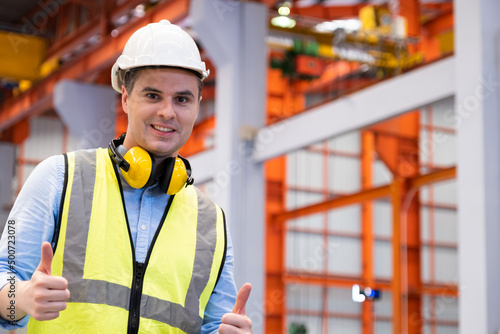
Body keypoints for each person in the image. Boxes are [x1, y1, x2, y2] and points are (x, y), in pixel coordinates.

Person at [0, 20, 252, 333]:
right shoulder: (58, 178)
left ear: (198, 106)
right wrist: (20, 296)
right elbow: (4, 276)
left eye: (182, 99)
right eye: (152, 95)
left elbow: (213, 324)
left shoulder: (211, 223)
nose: (167, 112)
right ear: (124, 98)